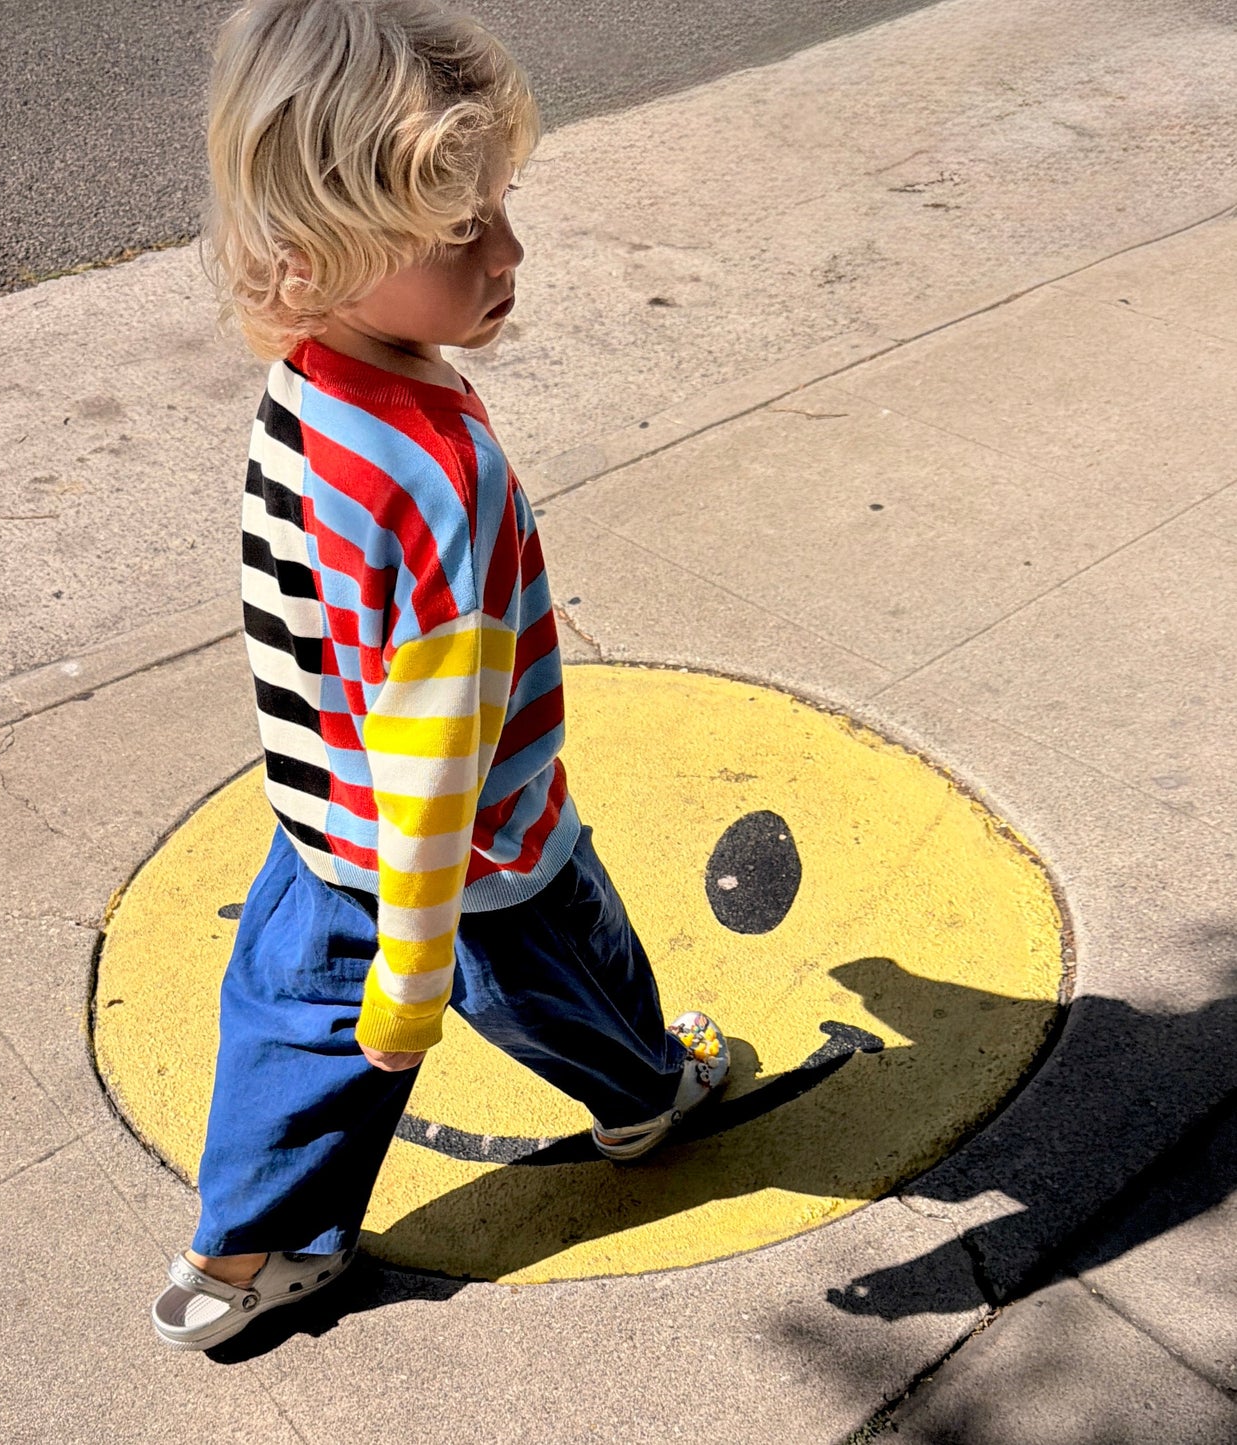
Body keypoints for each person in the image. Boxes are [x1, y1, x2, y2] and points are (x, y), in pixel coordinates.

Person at [151, 0, 731, 1352]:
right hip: (466, 848)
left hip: (326, 820)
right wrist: (414, 962)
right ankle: (647, 1095)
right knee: (568, 975)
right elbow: (435, 752)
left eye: (500, 209)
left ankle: (241, 1259)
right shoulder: (432, 478)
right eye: (461, 231)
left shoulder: (322, 380)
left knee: (291, 1039)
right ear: (318, 251)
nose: (509, 253)